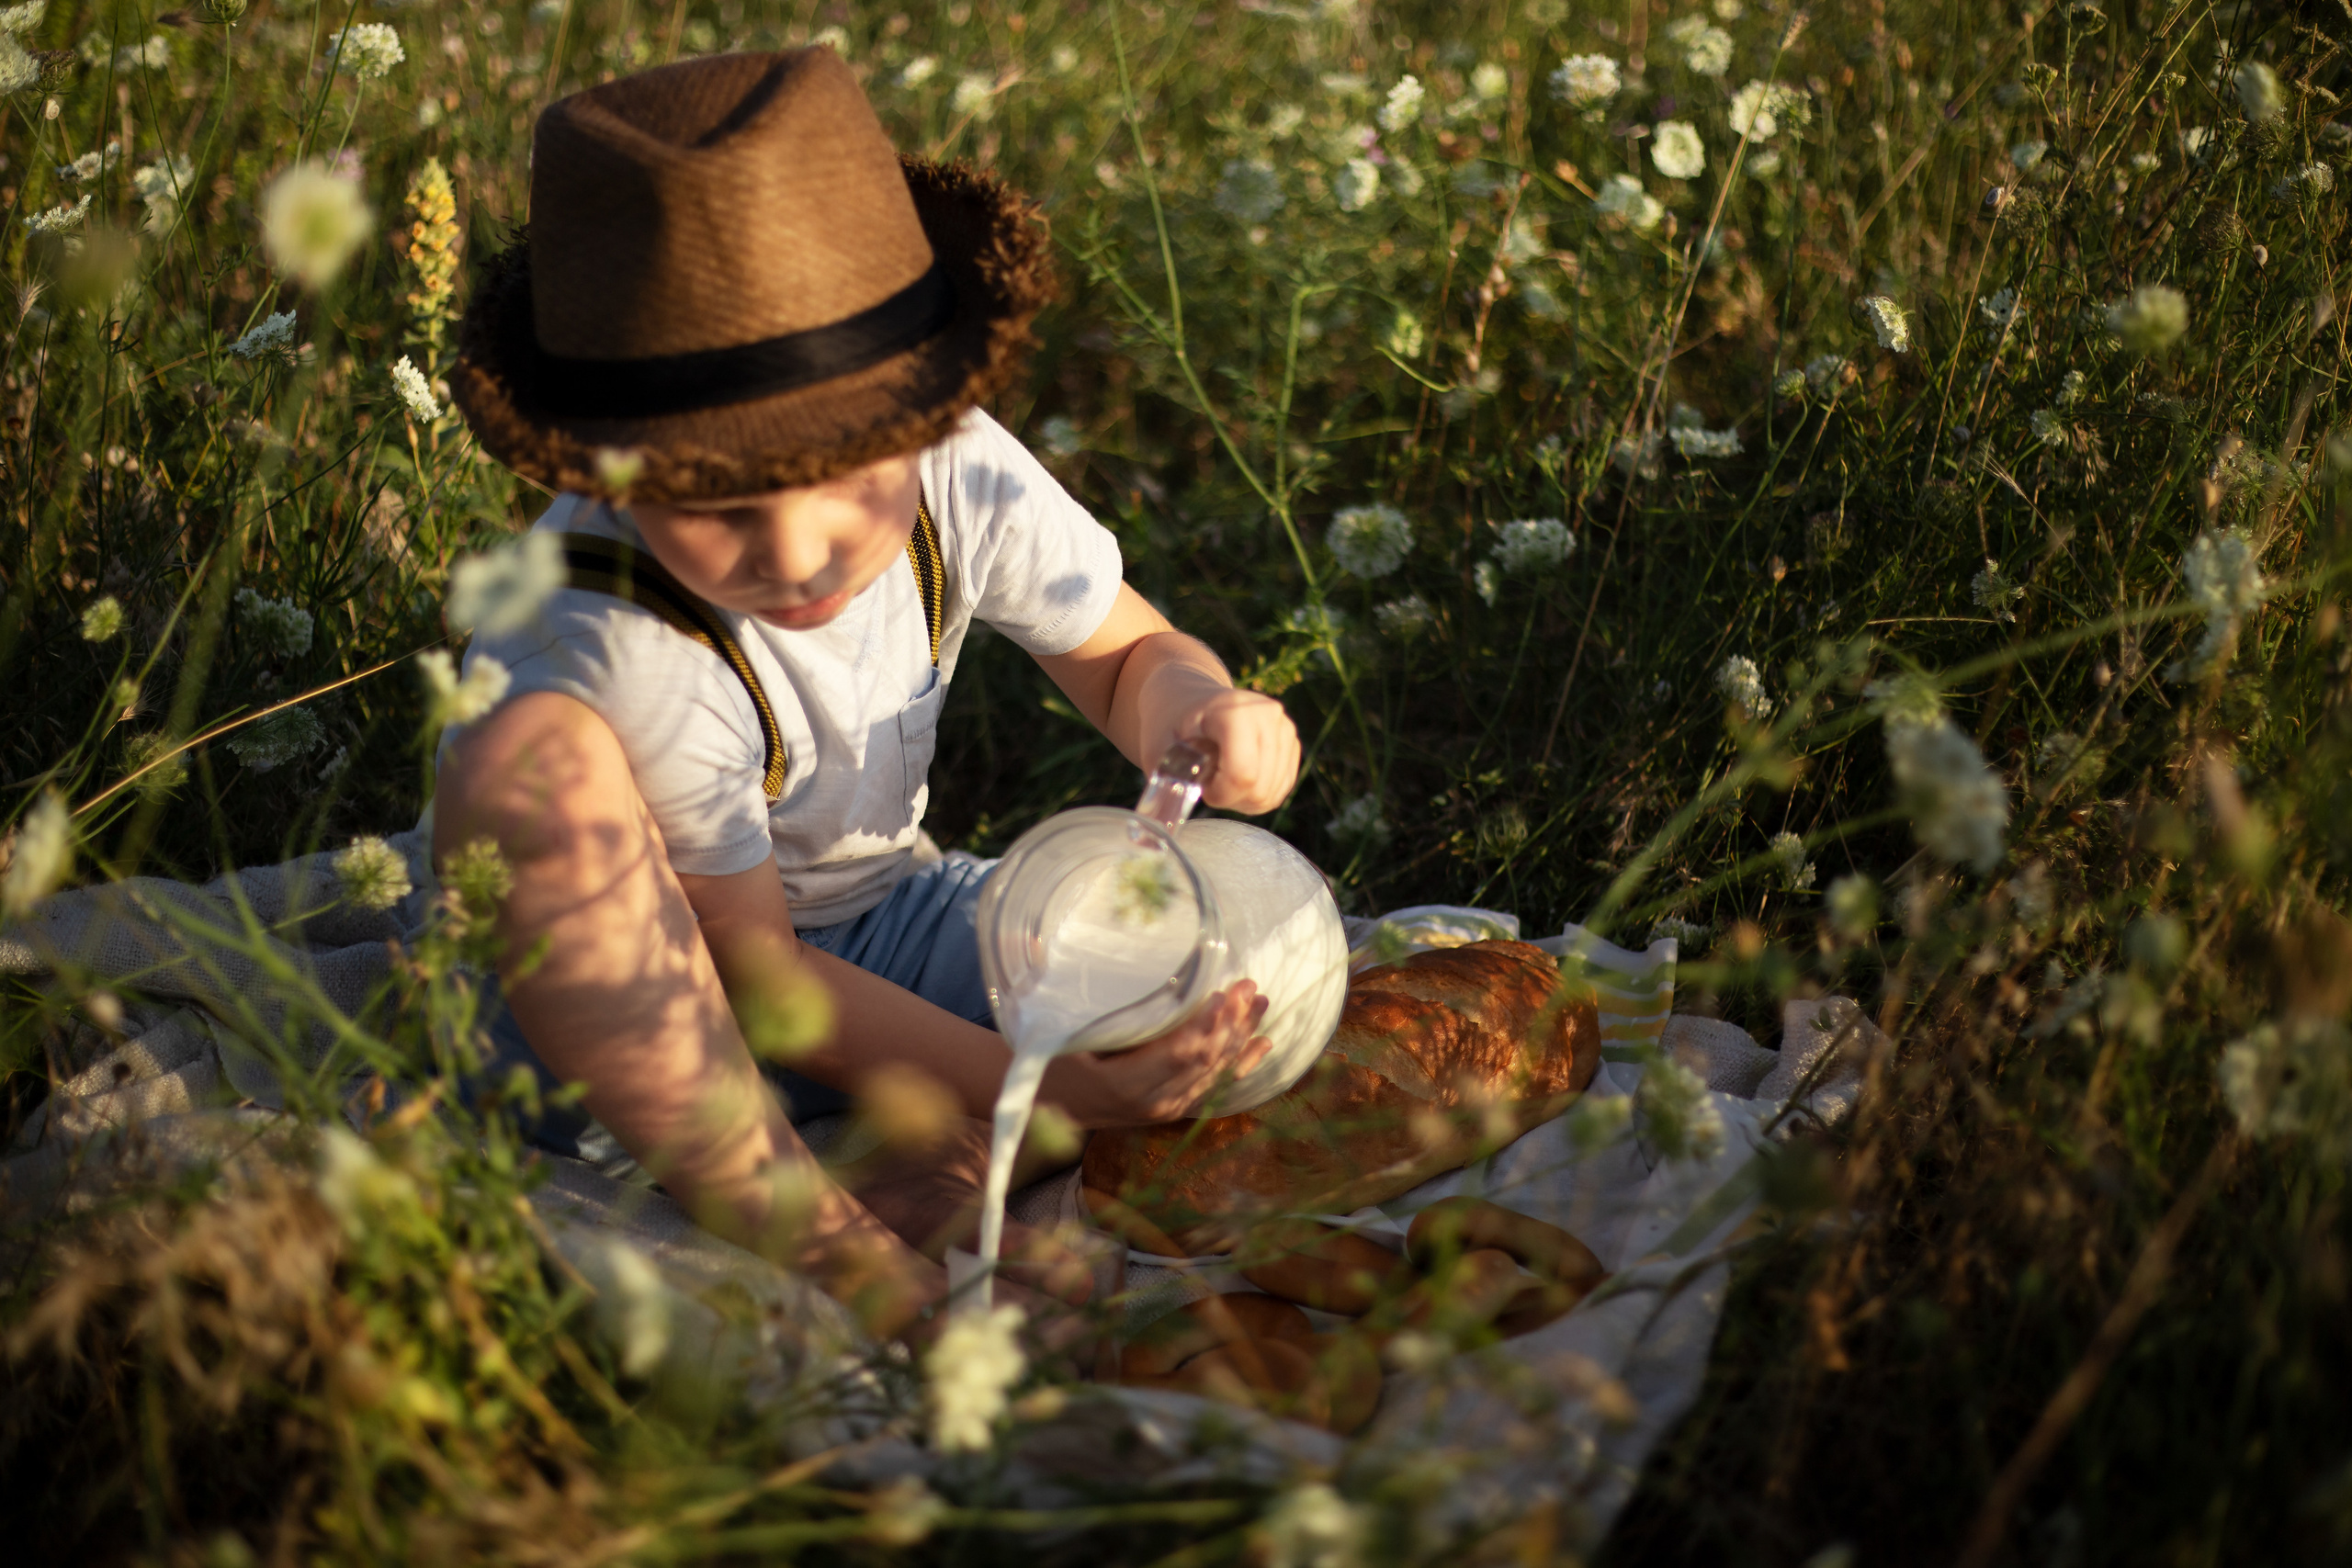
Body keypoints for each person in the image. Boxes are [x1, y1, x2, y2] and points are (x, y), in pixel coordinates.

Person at [429, 47, 1300, 1338]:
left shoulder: (959, 473)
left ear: (926, 409)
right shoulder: (614, 633)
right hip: (636, 1018)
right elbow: (756, 978)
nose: (797, 552)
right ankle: (832, 1239)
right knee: (532, 777)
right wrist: (1049, 1091)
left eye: (846, 477)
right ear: (604, 472)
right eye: (716, 503)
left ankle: (912, 1152)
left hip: (876, 921)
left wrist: (1203, 713)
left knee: (1228, 996)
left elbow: (1128, 657)